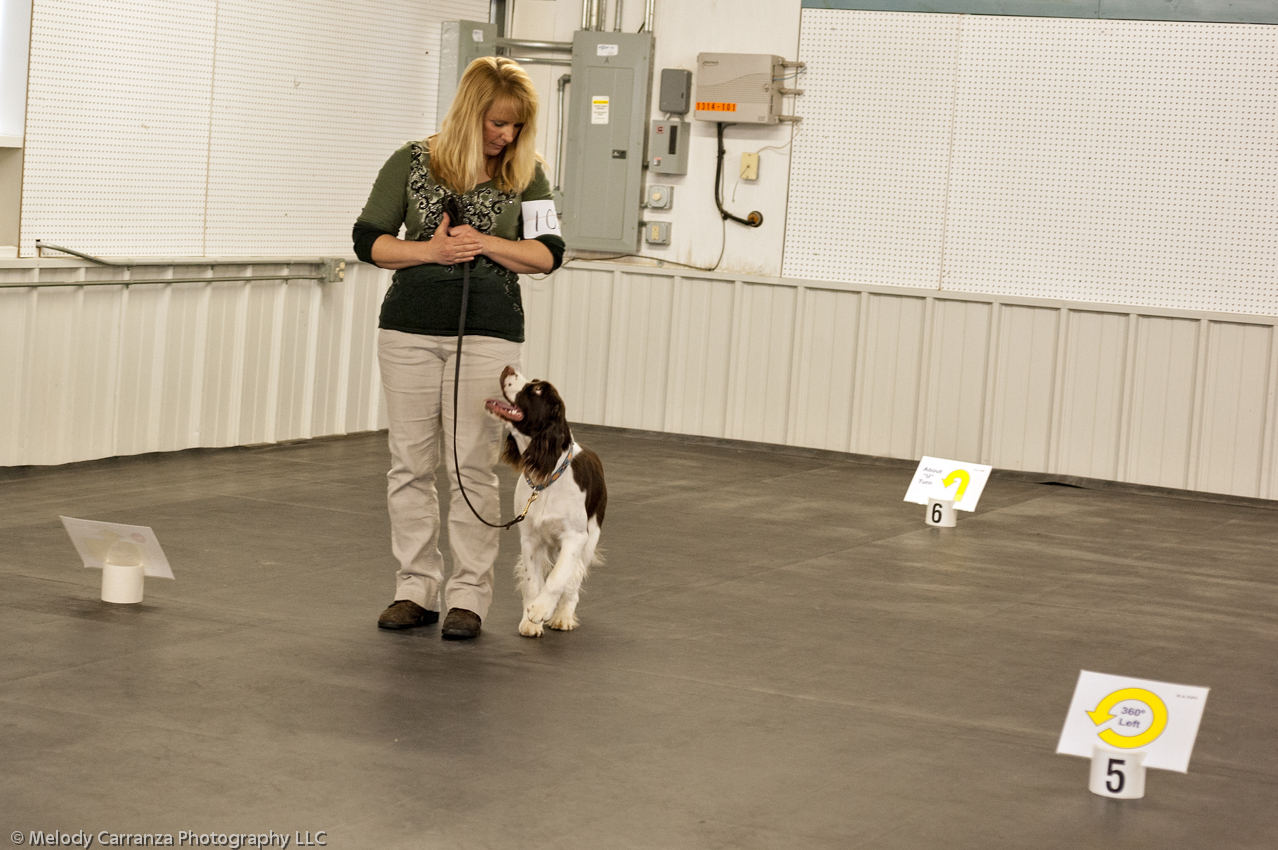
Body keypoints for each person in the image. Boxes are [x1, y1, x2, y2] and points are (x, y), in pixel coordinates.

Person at [352, 57, 565, 640]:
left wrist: (487, 243)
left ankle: (468, 597)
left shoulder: (528, 174)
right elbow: (367, 239)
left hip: (490, 331)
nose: (508, 136)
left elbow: (548, 253)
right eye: (499, 123)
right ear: (470, 113)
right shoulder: (410, 161)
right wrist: (430, 252)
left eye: (518, 126)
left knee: (471, 462)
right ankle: (414, 589)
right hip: (408, 329)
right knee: (410, 464)